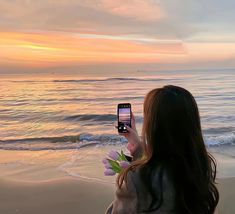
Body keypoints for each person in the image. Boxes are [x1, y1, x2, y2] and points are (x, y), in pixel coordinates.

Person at [105, 85, 219, 214]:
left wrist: (131, 172)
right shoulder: (199, 167)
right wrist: (137, 145)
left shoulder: (135, 178)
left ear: (152, 126)